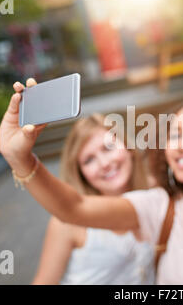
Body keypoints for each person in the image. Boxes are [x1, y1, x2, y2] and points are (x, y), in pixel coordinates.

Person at [0, 80, 183, 284]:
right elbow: (74, 207)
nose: (182, 145)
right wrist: (22, 159)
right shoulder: (156, 206)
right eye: (175, 135)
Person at [32, 114, 155, 284]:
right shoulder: (67, 222)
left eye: (108, 148)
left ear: (127, 147)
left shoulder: (154, 194)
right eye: (89, 160)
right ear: (81, 173)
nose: (104, 163)